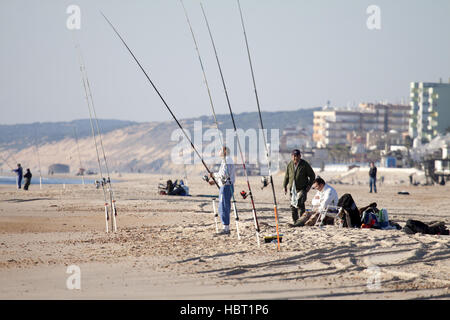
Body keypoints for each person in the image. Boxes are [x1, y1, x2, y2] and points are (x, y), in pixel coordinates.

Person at [283, 149, 316, 224]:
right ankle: (295, 221)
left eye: (297, 156)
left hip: (302, 188)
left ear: (300, 156)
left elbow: (312, 175)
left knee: (300, 203)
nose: (296, 158)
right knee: (293, 205)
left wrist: (309, 185)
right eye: (294, 156)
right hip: (292, 189)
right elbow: (286, 176)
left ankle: (301, 221)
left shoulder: (304, 164)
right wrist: (284, 186)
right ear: (292, 156)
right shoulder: (290, 164)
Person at [209, 146, 235, 235]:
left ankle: (226, 229)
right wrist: (215, 181)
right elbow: (224, 175)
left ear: (224, 151)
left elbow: (224, 174)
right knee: (222, 207)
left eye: (220, 150)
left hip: (226, 187)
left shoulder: (227, 160)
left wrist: (214, 175)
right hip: (225, 186)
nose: (218, 151)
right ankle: (225, 227)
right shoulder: (227, 160)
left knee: (223, 207)